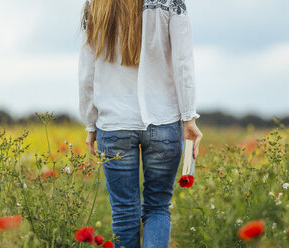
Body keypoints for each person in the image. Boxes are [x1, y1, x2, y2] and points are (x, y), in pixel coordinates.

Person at [78, 0, 203, 247]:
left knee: (124, 213)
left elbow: (86, 72)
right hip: (163, 120)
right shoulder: (170, 3)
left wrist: (90, 122)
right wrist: (189, 118)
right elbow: (183, 62)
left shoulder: (95, 5)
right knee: (158, 208)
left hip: (113, 123)